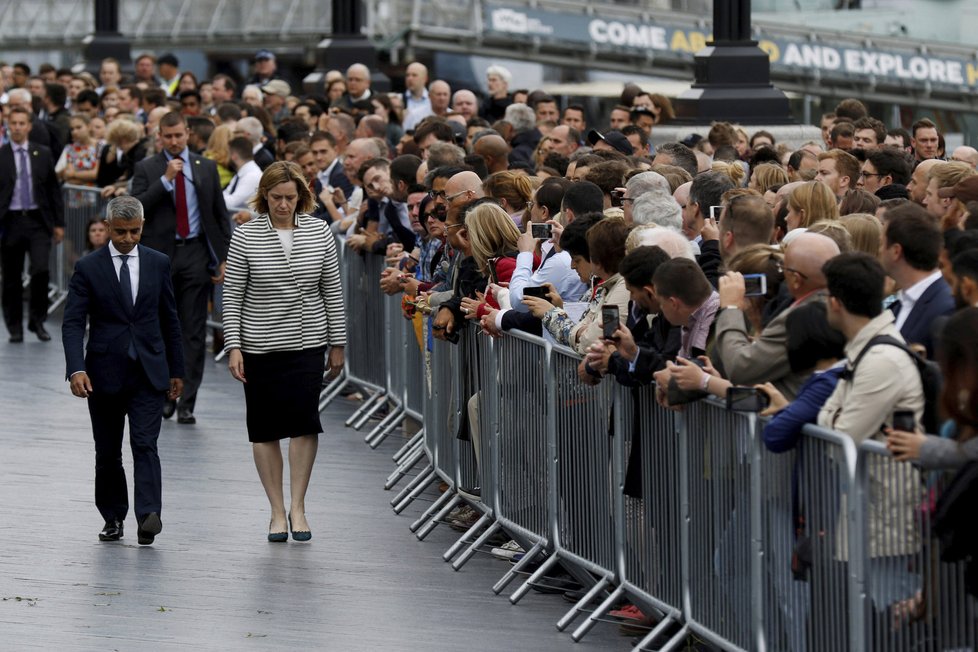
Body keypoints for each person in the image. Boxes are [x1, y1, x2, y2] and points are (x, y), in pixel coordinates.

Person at [223, 161, 346, 542]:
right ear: (264, 196)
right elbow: (232, 295)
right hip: (259, 342)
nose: (283, 204)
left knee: (304, 422)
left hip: (308, 340)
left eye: (290, 198)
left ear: (301, 196)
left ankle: (299, 507)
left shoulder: (320, 230)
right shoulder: (245, 235)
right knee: (264, 428)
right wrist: (234, 345)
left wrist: (338, 344)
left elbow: (332, 289)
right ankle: (276, 510)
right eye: (276, 197)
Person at [61, 196, 185, 545]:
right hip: (103, 371)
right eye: (120, 232)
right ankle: (113, 516)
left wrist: (177, 369)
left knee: (146, 443)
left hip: (149, 369)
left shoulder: (158, 263)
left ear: (142, 226)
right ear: (108, 227)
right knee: (108, 450)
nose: (128, 239)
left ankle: (148, 515)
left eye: (134, 232)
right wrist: (76, 369)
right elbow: (72, 323)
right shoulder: (89, 267)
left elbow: (169, 318)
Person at [131, 111, 231, 425]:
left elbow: (218, 214)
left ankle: (187, 400)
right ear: (159, 136)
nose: (174, 142)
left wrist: (224, 256)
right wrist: (165, 181)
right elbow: (136, 208)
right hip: (159, 255)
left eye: (179, 135)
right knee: (160, 328)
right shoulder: (147, 167)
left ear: (187, 133)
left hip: (196, 253)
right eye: (168, 136)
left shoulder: (205, 166)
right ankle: (164, 393)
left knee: (192, 330)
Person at [0, 105, 64, 343]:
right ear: (8, 125)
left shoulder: (42, 153)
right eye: (13, 123)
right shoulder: (2, 154)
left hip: (38, 220)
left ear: (29, 126)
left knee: (41, 269)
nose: (17, 128)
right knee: (12, 277)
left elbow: (53, 190)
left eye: (21, 123)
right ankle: (14, 326)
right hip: (11, 221)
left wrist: (59, 223)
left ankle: (37, 320)